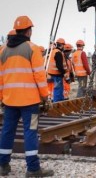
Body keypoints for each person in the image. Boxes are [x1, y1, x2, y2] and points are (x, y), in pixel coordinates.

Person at [0, 15, 54, 177]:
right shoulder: (32, 48)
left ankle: (2, 165)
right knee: (30, 131)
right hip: (30, 101)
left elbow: (1, 77)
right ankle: (33, 169)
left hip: (9, 100)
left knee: (7, 131)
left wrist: (2, 98)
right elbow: (39, 76)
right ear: (28, 31)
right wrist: (46, 97)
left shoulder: (3, 50)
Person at [47, 38, 68, 102]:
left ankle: (59, 102)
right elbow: (59, 66)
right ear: (61, 45)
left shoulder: (53, 51)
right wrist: (63, 73)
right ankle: (56, 103)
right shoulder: (58, 53)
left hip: (51, 74)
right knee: (58, 90)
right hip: (57, 74)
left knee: (58, 89)